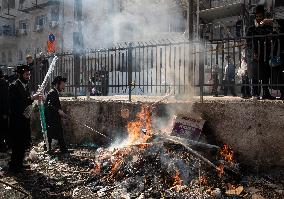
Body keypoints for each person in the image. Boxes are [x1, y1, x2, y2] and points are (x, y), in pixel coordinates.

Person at [8, 65, 41, 172]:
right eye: (26, 75)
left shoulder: (24, 86)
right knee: (17, 144)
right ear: (20, 75)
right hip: (16, 121)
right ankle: (14, 166)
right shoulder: (14, 86)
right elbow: (17, 104)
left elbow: (26, 101)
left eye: (29, 74)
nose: (28, 76)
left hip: (24, 120)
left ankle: (20, 164)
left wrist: (32, 99)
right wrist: (32, 98)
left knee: (22, 143)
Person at [246, 5, 275, 100]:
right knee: (255, 74)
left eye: (260, 16)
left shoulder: (268, 27)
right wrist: (253, 53)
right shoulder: (251, 28)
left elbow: (272, 37)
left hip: (266, 54)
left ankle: (266, 93)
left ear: (263, 17)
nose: (259, 19)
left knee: (266, 74)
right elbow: (249, 42)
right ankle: (255, 93)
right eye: (257, 17)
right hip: (254, 54)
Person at [44, 76, 68, 153]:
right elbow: (49, 105)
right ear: (57, 84)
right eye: (62, 85)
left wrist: (61, 113)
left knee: (54, 134)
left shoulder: (54, 92)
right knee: (55, 134)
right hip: (52, 119)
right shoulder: (52, 93)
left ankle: (59, 149)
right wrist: (59, 111)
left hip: (54, 118)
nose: (63, 87)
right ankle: (61, 150)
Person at [0, 69, 9, 152]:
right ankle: (4, 146)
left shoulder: (3, 83)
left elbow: (5, 99)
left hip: (3, 112)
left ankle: (4, 146)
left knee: (4, 130)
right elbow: (5, 99)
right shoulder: (3, 83)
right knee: (4, 129)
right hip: (3, 112)